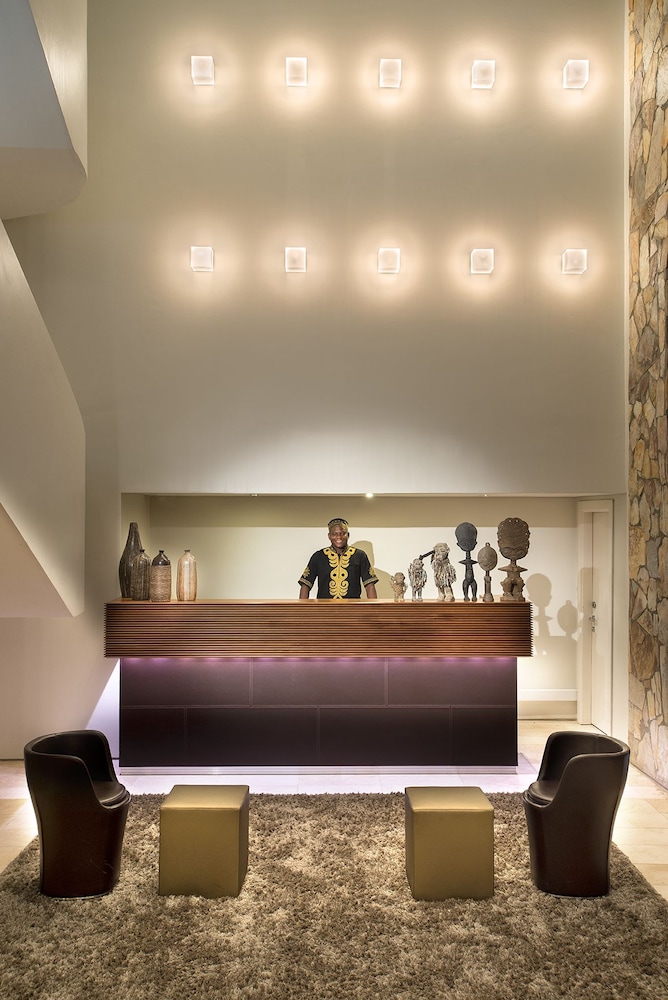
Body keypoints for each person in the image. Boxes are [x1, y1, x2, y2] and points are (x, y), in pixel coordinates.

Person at [298, 518, 378, 600]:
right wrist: (302, 607)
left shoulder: (359, 555)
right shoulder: (318, 556)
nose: (339, 537)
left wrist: (374, 607)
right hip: (324, 607)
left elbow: (369, 586)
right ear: (329, 536)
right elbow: (305, 585)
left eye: (342, 533)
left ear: (348, 535)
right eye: (334, 534)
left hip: (352, 607)